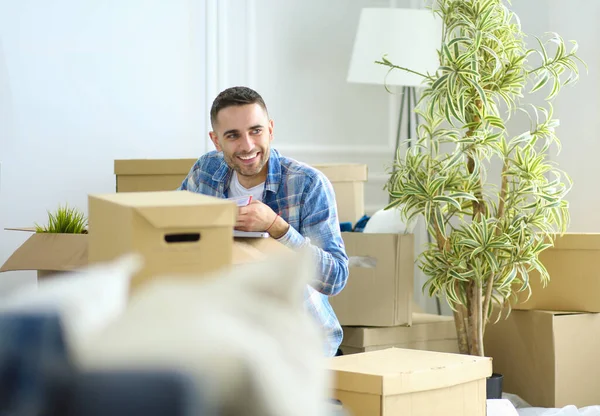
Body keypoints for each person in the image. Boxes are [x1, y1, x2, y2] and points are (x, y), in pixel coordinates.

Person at [177, 86, 349, 357]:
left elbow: (335, 278)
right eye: (233, 135)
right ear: (216, 140)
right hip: (224, 333)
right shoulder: (205, 171)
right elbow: (169, 227)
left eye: (255, 131)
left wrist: (277, 228)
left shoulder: (308, 184)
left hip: (296, 342)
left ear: (270, 129)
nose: (247, 146)